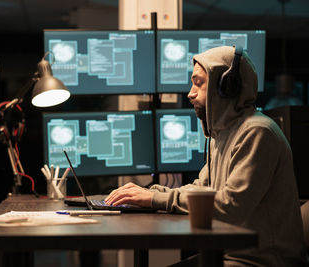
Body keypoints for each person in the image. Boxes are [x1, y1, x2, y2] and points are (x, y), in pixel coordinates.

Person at [105, 46, 307, 266]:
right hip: (229, 255)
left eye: (198, 83)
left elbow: (230, 206)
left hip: (262, 261)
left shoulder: (257, 132)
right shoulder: (221, 135)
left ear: (228, 88)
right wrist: (149, 193)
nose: (190, 93)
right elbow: (202, 188)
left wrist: (155, 199)